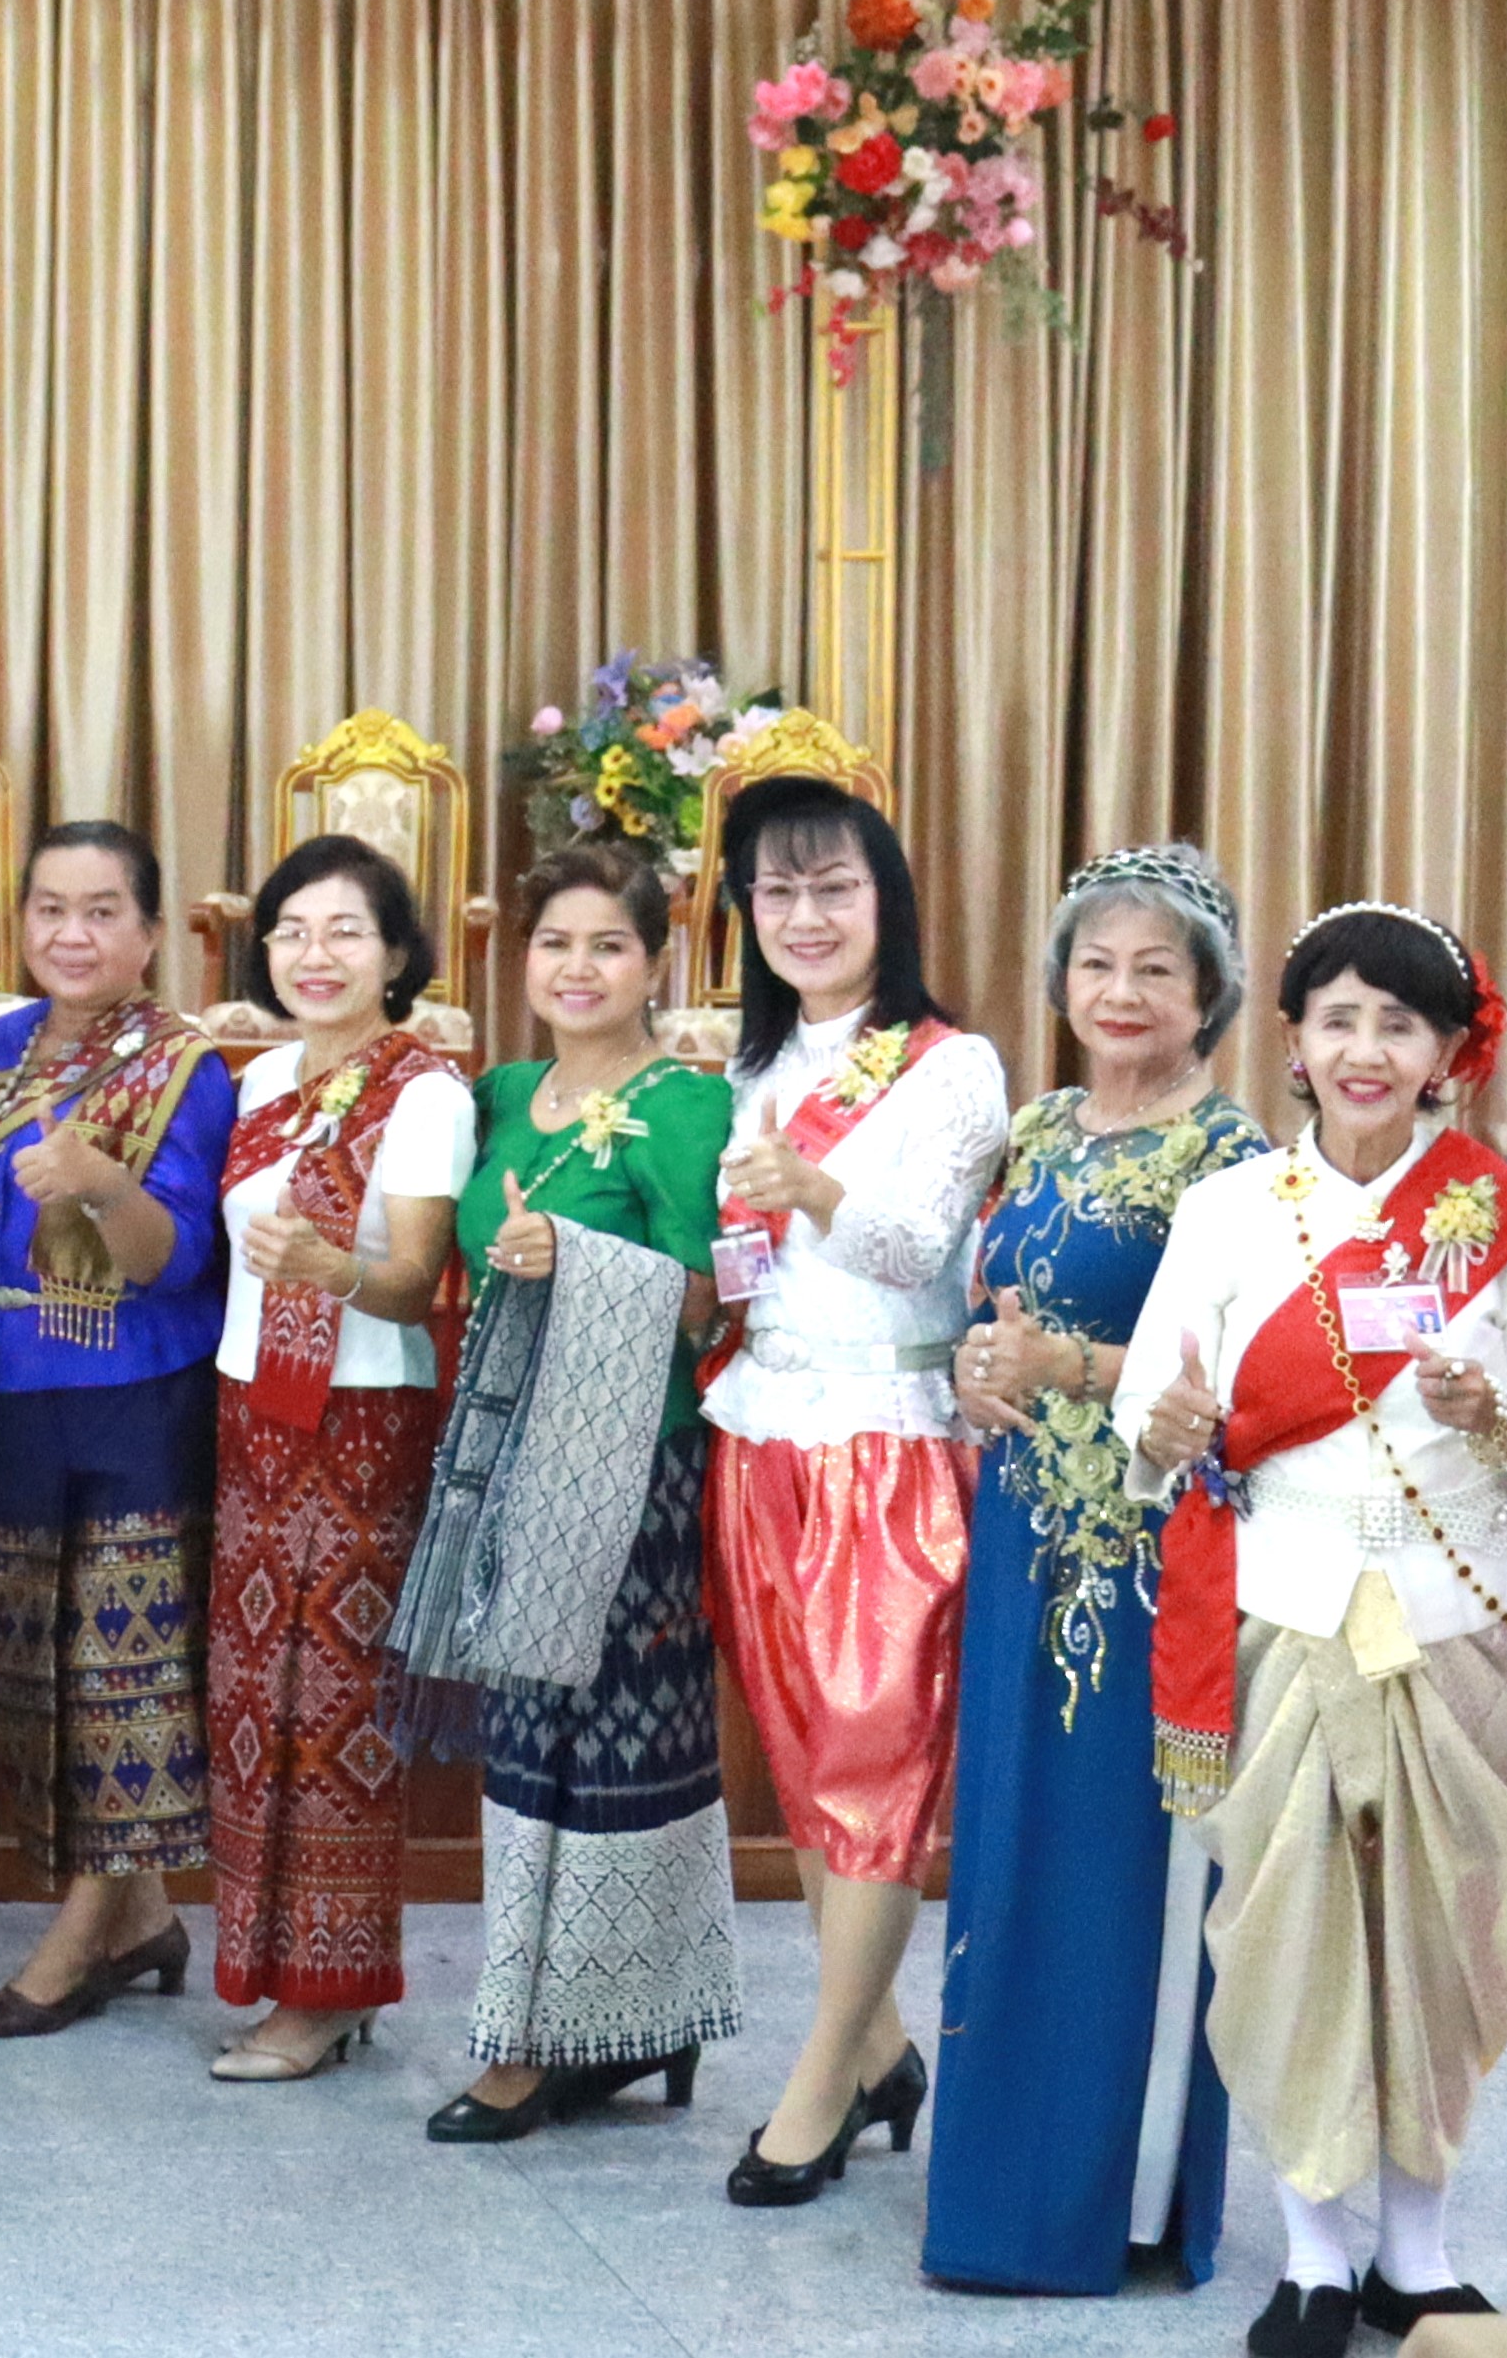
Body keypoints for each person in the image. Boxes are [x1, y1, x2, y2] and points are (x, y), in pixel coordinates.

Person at [1120, 903, 1507, 2355]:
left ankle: (1417, 2253)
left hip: (1462, 1608)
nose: (1366, 1049)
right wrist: (1168, 1423)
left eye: (1399, 1023)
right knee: (1294, 1932)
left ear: (1446, 1050)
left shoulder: (1504, 1220)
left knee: (1445, 1934)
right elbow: (1151, 1399)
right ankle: (1314, 2257)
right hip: (1283, 1601)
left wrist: (1496, 1412)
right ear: (1294, 1041)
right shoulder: (1227, 1210)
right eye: (1338, 1019)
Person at [918, 844, 1269, 2288]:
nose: (1120, 993)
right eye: (1096, 965)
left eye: (1155, 970)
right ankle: (996, 2191)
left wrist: (1068, 1365)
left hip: (1147, 1550)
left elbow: (1242, 1375)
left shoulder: (1232, 1157)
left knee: (1114, 1860)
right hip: (1020, 1529)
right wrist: (975, 1366)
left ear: (1209, 996)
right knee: (1008, 1842)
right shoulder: (1040, 1125)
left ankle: (1107, 2204)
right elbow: (989, 1308)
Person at [702, 777, 1009, 2203]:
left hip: (886, 1443)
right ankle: (879, 2046)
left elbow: (917, 1248)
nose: (804, 915)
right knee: (800, 1763)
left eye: (833, 886)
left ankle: (818, 2080)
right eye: (775, 891)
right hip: (758, 1429)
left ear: (885, 899)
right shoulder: (748, 1066)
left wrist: (811, 1187)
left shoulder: (950, 1065)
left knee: (872, 1774)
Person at [410, 846, 741, 2143]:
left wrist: (580, 1253)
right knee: (528, 1746)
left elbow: (707, 1301)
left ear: (653, 962)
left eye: (608, 943)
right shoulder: (503, 1093)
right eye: (554, 942)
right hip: (512, 1460)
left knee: (620, 1747)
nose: (578, 967)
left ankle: (586, 2031)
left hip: (632, 1465)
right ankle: (572, 2023)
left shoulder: (687, 1105)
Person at [195, 832, 476, 2081]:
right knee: (253, 1700)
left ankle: (330, 1986)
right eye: (291, 931)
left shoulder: (423, 1092)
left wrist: (328, 1269)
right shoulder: (260, 1079)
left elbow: (412, 1285)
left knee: (334, 1707)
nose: (314, 954)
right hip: (251, 1412)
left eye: (344, 931)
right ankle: (271, 1966)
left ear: (396, 954)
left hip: (359, 1424)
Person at [0, 823, 235, 2043]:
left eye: (102, 911)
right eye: (50, 909)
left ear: (149, 931)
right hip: (2, 1374)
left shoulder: (186, 1065)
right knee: (32, 1658)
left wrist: (101, 1183)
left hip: (133, 1384)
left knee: (124, 1664)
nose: (72, 935)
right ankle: (142, 1916)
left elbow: (175, 1259)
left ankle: (75, 1939)